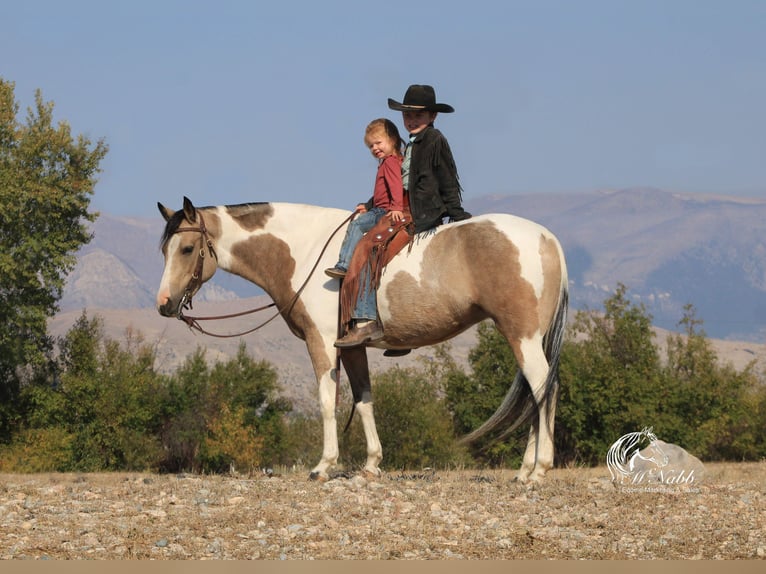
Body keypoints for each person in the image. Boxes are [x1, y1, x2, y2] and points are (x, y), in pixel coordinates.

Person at [334, 85, 471, 349]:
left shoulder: (434, 141)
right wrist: (372, 203)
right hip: (408, 208)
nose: (411, 120)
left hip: (419, 213)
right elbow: (398, 183)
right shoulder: (411, 144)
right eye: (408, 115)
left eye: (418, 115)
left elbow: (447, 178)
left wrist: (457, 214)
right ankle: (401, 329)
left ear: (432, 116)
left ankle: (364, 321)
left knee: (368, 248)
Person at [325, 118, 405, 280]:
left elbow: (396, 185)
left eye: (378, 143)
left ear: (393, 140)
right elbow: (383, 192)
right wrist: (368, 205)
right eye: (371, 146)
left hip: (383, 211)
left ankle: (344, 265)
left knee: (356, 225)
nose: (374, 148)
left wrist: (396, 207)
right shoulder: (393, 161)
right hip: (378, 208)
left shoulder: (389, 162)